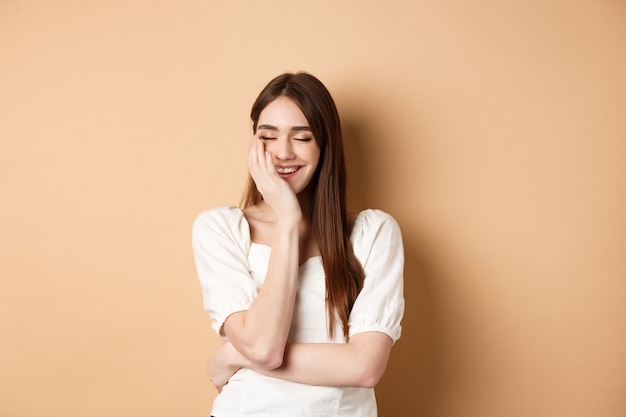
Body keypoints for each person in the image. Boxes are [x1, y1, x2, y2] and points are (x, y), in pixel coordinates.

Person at [192, 72, 404, 417]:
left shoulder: (373, 232)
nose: (282, 153)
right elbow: (264, 346)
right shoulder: (220, 229)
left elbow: (364, 368)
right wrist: (289, 220)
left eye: (302, 137)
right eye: (267, 137)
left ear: (325, 145)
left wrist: (233, 354)